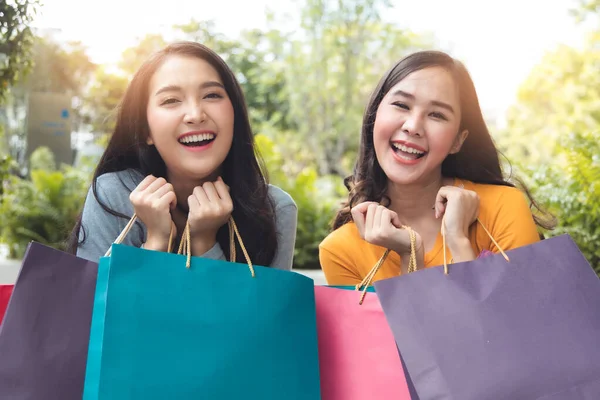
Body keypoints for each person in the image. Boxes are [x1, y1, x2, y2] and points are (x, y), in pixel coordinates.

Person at [319, 50, 554, 285]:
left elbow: (522, 317)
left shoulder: (502, 207)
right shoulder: (341, 250)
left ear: (457, 141)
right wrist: (409, 254)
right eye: (401, 104)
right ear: (374, 115)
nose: (413, 126)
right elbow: (413, 324)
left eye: (437, 115)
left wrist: (457, 240)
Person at [68, 42, 297, 270]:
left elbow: (264, 308)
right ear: (145, 130)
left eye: (211, 95)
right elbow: (91, 304)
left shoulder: (275, 210)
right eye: (171, 100)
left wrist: (204, 243)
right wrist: (156, 241)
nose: (196, 115)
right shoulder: (114, 194)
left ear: (235, 114)